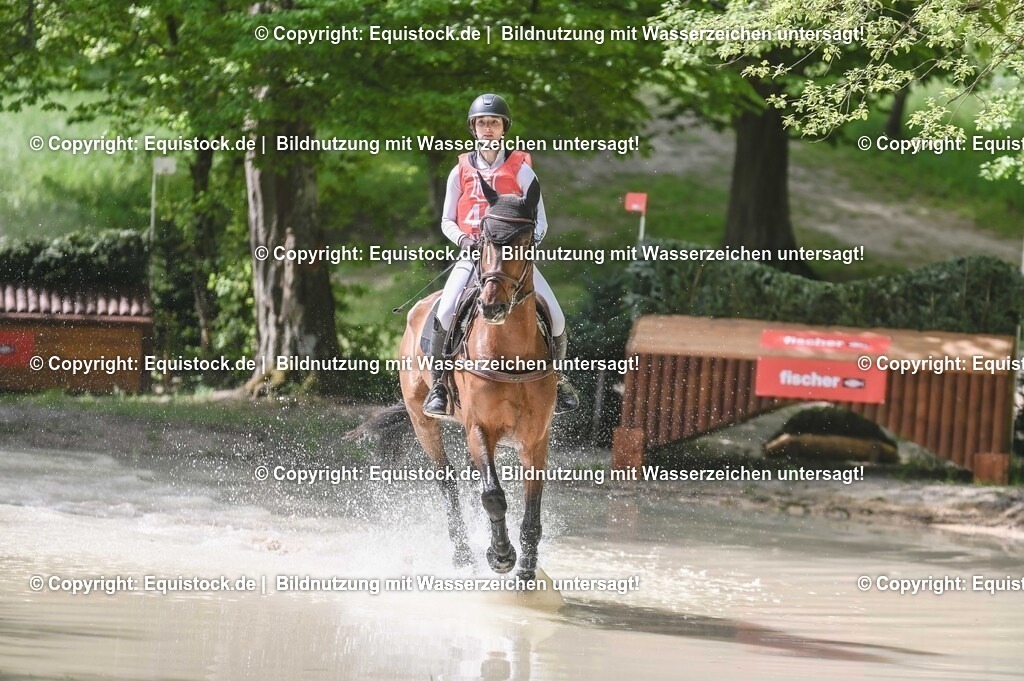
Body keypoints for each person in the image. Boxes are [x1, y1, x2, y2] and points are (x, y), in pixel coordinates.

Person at [422, 93, 579, 418]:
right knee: (446, 310)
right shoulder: (460, 170)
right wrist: (464, 240)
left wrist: (521, 249)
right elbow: (447, 220)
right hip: (473, 256)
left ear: (504, 127)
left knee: (557, 315)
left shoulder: (522, 171)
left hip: (512, 261)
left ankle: (559, 381)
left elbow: (541, 222)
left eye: (494, 122)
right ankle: (439, 385)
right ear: (473, 128)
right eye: (482, 123)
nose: (488, 128)